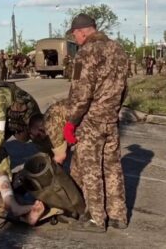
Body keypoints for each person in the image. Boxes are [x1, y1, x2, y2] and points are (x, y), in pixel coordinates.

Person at [64, 13, 128, 232]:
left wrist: (71, 122)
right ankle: (118, 215)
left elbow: (81, 93)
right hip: (111, 118)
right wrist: (115, 110)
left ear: (82, 31)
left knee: (91, 169)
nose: (76, 40)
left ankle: (97, 218)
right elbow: (124, 87)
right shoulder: (117, 49)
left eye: (75, 36)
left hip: (91, 120)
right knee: (112, 167)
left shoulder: (86, 53)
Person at [29, 99, 69, 165]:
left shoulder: (51, 128)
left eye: (38, 135)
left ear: (41, 129)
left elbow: (60, 158)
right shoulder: (49, 113)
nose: (37, 138)